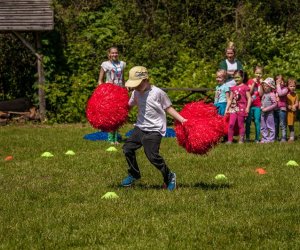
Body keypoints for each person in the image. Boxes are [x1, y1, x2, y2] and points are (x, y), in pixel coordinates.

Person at [121, 66, 187, 191]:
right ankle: (134, 173)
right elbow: (128, 106)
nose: (136, 87)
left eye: (138, 84)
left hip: (155, 129)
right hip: (140, 127)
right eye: (134, 85)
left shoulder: (158, 93)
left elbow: (168, 108)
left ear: (146, 80)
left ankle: (169, 176)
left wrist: (182, 119)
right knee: (127, 149)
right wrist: (118, 113)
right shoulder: (135, 93)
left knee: (152, 156)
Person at [98, 46, 126, 145]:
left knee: (118, 114)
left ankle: (116, 138)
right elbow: (100, 80)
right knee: (111, 115)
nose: (114, 54)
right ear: (109, 54)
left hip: (119, 91)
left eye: (116, 53)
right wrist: (102, 91)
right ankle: (111, 139)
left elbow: (123, 79)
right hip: (110, 92)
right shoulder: (105, 64)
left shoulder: (122, 64)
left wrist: (124, 88)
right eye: (112, 53)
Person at [225, 70, 251, 144]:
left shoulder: (245, 87)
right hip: (233, 108)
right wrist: (227, 108)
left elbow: (249, 98)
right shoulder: (233, 88)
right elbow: (230, 99)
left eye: (238, 77)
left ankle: (241, 140)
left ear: (242, 77)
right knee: (231, 124)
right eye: (235, 77)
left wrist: (247, 107)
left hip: (242, 108)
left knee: (240, 124)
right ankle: (230, 140)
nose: (236, 79)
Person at [245, 66, 263, 143]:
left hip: (257, 105)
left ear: (262, 74)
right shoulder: (250, 81)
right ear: (254, 73)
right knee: (248, 121)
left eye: (260, 73)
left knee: (257, 121)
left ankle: (257, 138)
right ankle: (247, 137)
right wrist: (253, 84)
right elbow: (250, 92)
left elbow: (261, 94)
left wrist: (261, 84)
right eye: (257, 73)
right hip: (250, 105)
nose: (258, 75)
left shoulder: (261, 83)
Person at [260, 77, 277, 143]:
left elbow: (275, 104)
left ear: (271, 87)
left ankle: (271, 139)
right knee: (263, 126)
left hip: (269, 114)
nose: (265, 87)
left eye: (267, 86)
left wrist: (267, 109)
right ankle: (265, 138)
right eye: (264, 86)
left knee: (271, 126)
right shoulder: (264, 94)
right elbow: (262, 102)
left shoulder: (272, 94)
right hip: (263, 113)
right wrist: (261, 107)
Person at [274, 75, 288, 142]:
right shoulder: (274, 89)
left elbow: (280, 93)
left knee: (282, 124)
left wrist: (278, 85)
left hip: (282, 109)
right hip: (275, 109)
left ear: (284, 82)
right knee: (275, 124)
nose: (280, 82)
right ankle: (275, 137)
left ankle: (283, 137)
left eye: (281, 81)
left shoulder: (285, 89)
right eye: (278, 81)